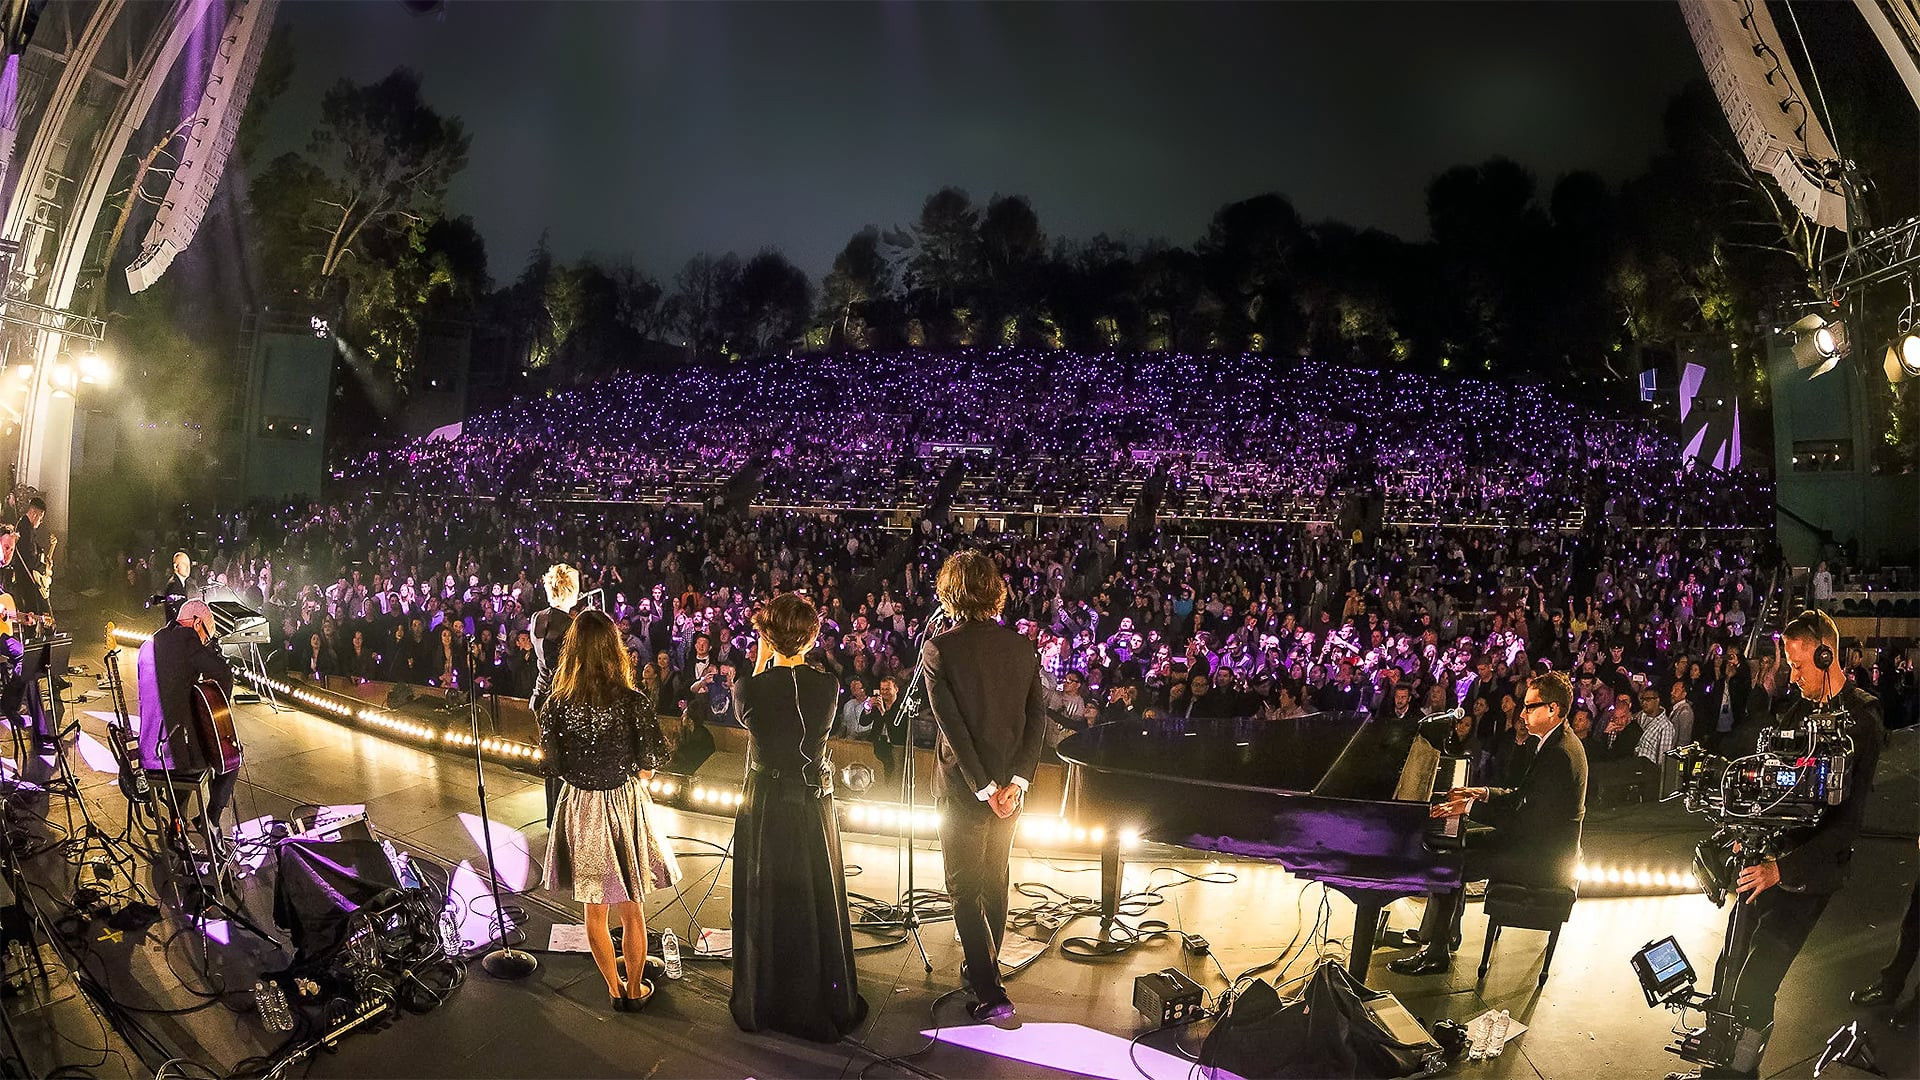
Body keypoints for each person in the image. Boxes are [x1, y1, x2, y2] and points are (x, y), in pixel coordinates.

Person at [1675, 610, 1883, 1080]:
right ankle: (1717, 1067)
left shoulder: (1862, 719)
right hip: (1766, 858)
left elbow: (1847, 824)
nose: (1793, 674)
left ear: (1826, 655)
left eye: (1799, 664)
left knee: (1755, 980)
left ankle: (1740, 1072)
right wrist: (1739, 836)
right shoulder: (1795, 710)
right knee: (1729, 965)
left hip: (1807, 874)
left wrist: (1780, 870)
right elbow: (1768, 789)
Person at [729, 592, 868, 1041]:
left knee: (767, 892)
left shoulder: (751, 687)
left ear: (767, 637)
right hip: (811, 801)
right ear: (811, 637)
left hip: (768, 803)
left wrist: (762, 656)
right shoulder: (826, 687)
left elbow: (750, 714)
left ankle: (767, 996)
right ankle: (820, 991)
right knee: (815, 892)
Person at [1389, 670, 1587, 976]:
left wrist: (1468, 807)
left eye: (1530, 706)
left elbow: (1526, 822)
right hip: (1536, 841)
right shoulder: (1554, 740)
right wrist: (1480, 793)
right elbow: (1523, 796)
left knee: (1451, 859)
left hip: (1542, 858)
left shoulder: (1560, 754)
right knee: (1457, 839)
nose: (1522, 713)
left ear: (1553, 709)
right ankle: (1444, 936)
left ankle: (1437, 952)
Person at [921, 550, 1048, 1024]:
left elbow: (951, 727)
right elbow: (1037, 719)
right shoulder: (1021, 646)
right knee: (995, 877)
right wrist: (1015, 782)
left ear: (949, 593)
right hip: (1011, 792)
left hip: (964, 790)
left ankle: (990, 991)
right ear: (995, 592)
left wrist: (984, 787)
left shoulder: (939, 649)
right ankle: (986, 963)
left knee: (963, 885)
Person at [537, 609, 678, 1012]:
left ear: (572, 650)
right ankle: (635, 990)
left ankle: (614, 989)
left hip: (580, 804)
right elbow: (651, 759)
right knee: (632, 908)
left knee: (593, 911)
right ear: (614, 650)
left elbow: (553, 766)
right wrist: (632, 782)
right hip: (622, 801)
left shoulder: (556, 704)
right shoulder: (632, 702)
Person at [135, 600, 238, 833]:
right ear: (197, 623)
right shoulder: (187, 639)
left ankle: (177, 828)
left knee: (186, 743)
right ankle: (210, 820)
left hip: (149, 752)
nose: (204, 642)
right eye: (206, 637)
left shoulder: (150, 643)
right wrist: (217, 714)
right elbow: (222, 673)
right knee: (230, 754)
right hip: (172, 755)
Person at [532, 564, 581, 822]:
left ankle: (553, 817)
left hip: (541, 695)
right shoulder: (571, 626)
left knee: (551, 758)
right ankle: (562, 820)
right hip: (561, 699)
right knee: (564, 761)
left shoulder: (536, 618)